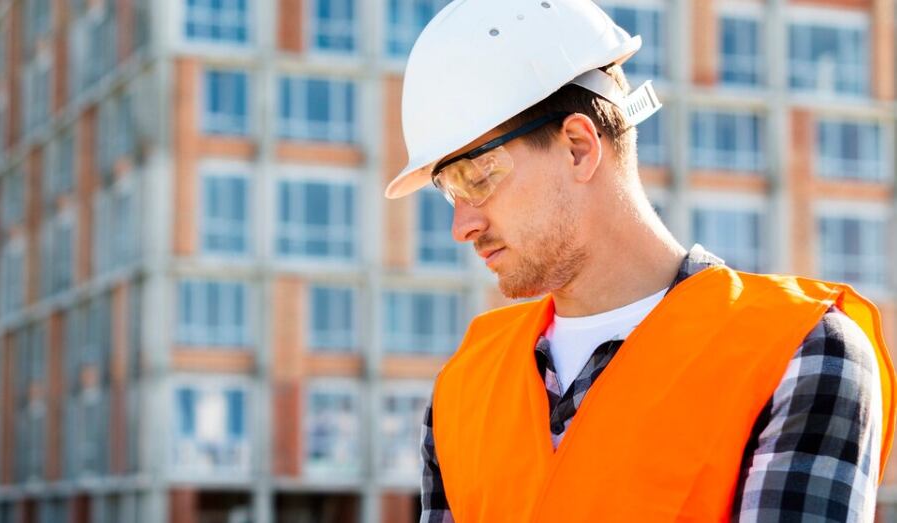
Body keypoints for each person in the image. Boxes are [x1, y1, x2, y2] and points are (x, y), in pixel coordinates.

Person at [383, 0, 897, 521]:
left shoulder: (800, 350)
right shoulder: (464, 385)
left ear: (579, 148)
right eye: (450, 192)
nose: (461, 226)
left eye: (478, 177)